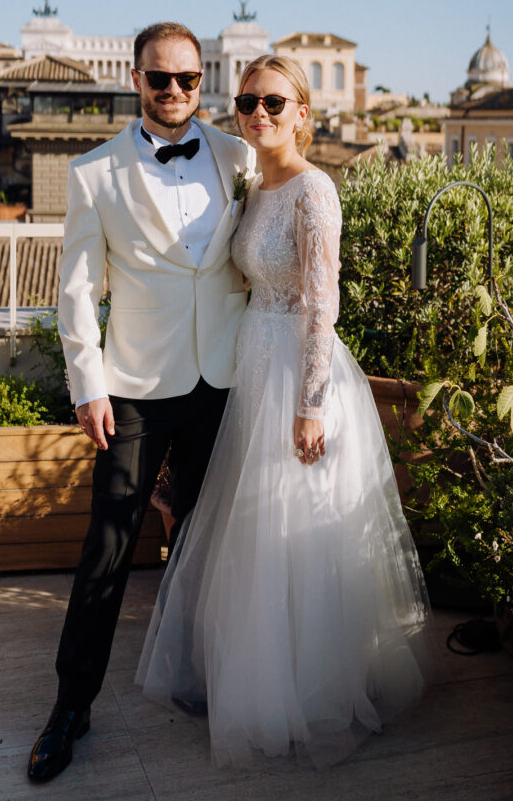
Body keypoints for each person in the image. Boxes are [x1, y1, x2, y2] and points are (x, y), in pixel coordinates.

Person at [137, 55, 433, 768]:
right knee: (250, 531)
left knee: (295, 533)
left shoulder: (313, 190)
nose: (258, 114)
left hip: (300, 378)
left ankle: (305, 691)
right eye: (246, 102)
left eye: (274, 101)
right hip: (250, 371)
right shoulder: (252, 187)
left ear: (303, 111)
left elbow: (322, 303)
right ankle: (251, 677)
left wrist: (310, 405)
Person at [28, 22, 256, 783]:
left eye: (189, 80)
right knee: (109, 547)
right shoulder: (93, 173)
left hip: (223, 382)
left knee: (210, 539)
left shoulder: (237, 156)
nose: (175, 93)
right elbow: (74, 294)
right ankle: (70, 707)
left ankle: (209, 679)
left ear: (204, 82)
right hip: (134, 391)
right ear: (136, 80)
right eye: (160, 79)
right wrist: (88, 384)